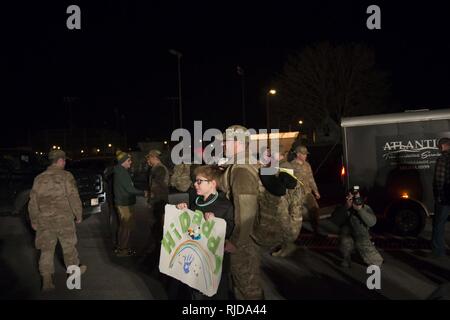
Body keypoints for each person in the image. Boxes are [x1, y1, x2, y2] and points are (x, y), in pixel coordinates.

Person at [28, 149, 87, 291]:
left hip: (44, 221)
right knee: (69, 249)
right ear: (60, 161)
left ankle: (47, 282)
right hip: (64, 220)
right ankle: (73, 282)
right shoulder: (66, 176)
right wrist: (78, 214)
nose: (65, 162)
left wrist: (34, 220)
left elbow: (32, 202)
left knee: (46, 251)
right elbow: (73, 197)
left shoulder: (39, 178)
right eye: (64, 160)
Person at [175, 165, 235, 300]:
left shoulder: (225, 205)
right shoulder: (197, 202)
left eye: (199, 181)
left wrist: (215, 223)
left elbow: (231, 230)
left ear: (213, 183)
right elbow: (191, 229)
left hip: (215, 264)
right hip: (197, 260)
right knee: (196, 295)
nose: (195, 184)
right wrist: (183, 212)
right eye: (195, 181)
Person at [220, 124, 264, 300]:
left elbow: (246, 210)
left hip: (244, 239)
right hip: (249, 236)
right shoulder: (247, 163)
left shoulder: (241, 169)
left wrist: (236, 241)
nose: (222, 145)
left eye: (225, 141)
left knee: (247, 286)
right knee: (247, 283)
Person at [332, 189, 383, 268]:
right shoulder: (342, 207)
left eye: (356, 198)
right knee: (345, 240)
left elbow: (372, 222)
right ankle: (347, 258)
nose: (354, 201)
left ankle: (359, 255)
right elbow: (335, 221)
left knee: (377, 262)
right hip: (348, 237)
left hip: (362, 238)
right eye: (351, 198)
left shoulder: (365, 208)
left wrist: (360, 210)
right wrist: (346, 207)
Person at [113, 150, 147, 257]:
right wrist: (143, 193)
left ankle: (122, 248)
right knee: (126, 227)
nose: (130, 162)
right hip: (124, 204)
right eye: (128, 160)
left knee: (124, 227)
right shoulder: (121, 172)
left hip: (124, 203)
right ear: (123, 162)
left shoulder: (121, 171)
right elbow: (129, 189)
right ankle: (123, 250)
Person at [290, 145, 321, 234]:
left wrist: (316, 191)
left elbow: (311, 179)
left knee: (314, 209)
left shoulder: (307, 165)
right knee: (295, 213)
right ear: (298, 154)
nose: (305, 156)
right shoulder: (291, 165)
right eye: (303, 154)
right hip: (297, 194)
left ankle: (316, 230)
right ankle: (295, 233)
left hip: (307, 193)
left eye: (306, 154)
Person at [146, 149, 170, 254]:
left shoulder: (159, 169)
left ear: (154, 158)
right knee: (158, 223)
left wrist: (151, 198)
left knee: (158, 224)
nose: (147, 160)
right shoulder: (157, 168)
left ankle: (159, 248)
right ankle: (158, 247)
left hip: (159, 201)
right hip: (159, 200)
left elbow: (157, 186)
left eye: (149, 158)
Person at [432, 137, 450, 257]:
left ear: (443, 146)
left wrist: (439, 196)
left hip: (446, 196)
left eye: (439, 146)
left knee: (439, 223)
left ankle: (439, 251)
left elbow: (439, 179)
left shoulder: (443, 159)